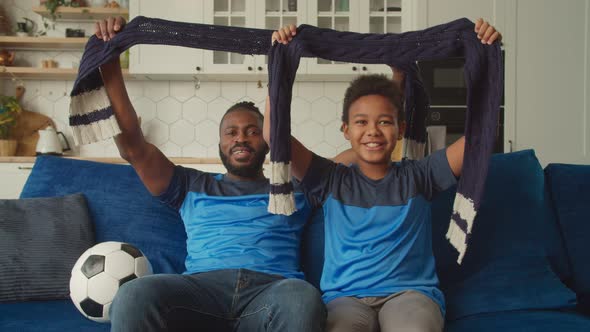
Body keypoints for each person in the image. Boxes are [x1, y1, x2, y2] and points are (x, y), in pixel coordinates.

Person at [268, 19, 502, 332]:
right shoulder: (330, 179)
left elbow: (479, 139)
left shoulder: (419, 174)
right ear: (346, 131)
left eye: (385, 123)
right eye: (361, 122)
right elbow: (274, 133)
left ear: (401, 130)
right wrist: (280, 63)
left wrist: (486, 57)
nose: (373, 132)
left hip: (410, 295)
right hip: (346, 299)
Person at [94, 17, 325, 332]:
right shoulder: (190, 184)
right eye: (231, 132)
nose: (240, 138)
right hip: (200, 294)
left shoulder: (294, 186)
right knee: (134, 294)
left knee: (303, 297)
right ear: (220, 143)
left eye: (252, 131)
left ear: (269, 140)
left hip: (272, 293)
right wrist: (108, 62)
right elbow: (134, 148)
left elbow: (361, 158)